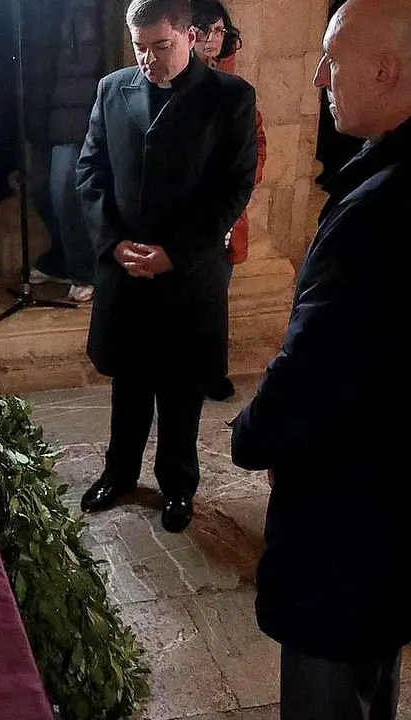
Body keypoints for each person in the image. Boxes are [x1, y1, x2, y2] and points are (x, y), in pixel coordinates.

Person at [230, 0, 411, 715]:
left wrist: (254, 437)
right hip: (410, 522)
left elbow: (315, 374)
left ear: (386, 70)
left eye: (332, 61)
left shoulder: (392, 209)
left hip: (351, 540)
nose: (319, 78)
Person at [76, 0, 258, 533]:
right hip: (127, 269)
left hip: (188, 273)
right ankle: (119, 473)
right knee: (129, 382)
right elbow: (91, 171)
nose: (148, 59)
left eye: (161, 46)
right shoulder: (113, 89)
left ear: (190, 36)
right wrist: (114, 244)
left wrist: (175, 252)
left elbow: (234, 188)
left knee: (181, 388)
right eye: (140, 47)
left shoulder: (229, 97)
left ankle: (178, 485)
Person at [192, 0, 265, 402]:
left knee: (214, 299)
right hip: (177, 215)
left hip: (221, 216)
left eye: (219, 31)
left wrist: (235, 185)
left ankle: (211, 373)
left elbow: (257, 147)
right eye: (204, 30)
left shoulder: (236, 91)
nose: (211, 40)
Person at [23, 0, 108, 303]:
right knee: (40, 189)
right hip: (45, 109)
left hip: (78, 111)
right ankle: (61, 258)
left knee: (66, 193)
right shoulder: (39, 10)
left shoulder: (90, 9)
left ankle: (85, 271)